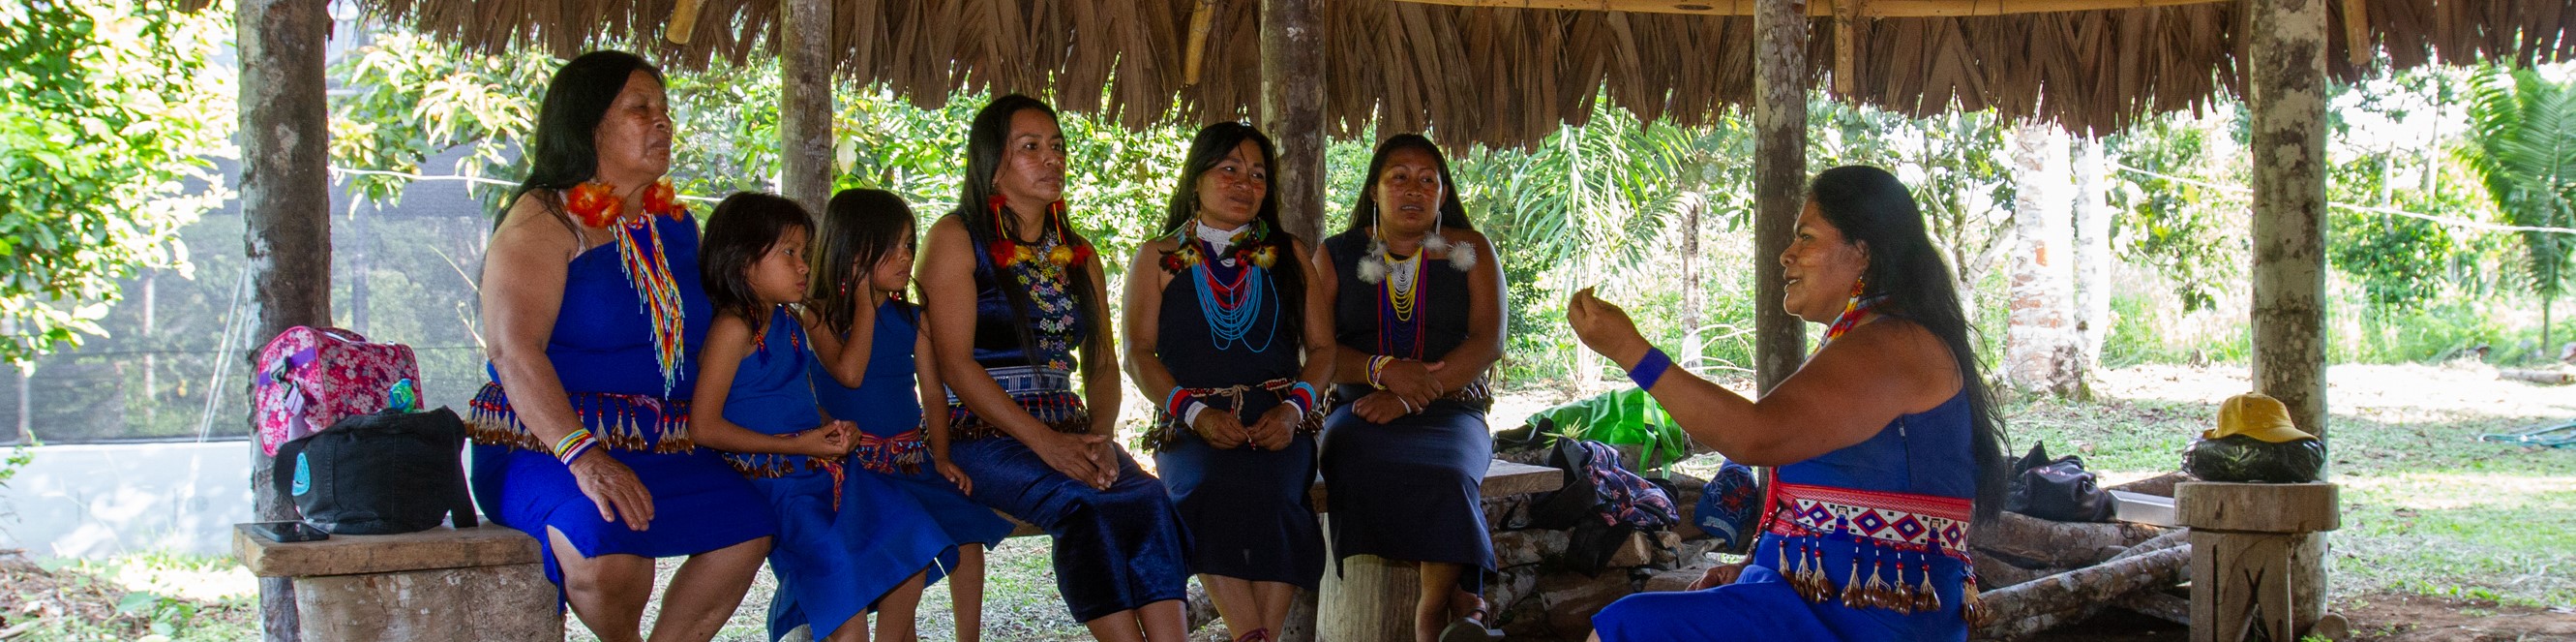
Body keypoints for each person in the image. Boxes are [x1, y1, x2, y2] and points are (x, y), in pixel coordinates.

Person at [1572, 166, 2010, 642]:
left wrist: (1631, 351)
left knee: (1628, 628)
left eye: (1806, 237)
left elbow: (1754, 436)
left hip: (1868, 618)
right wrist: (1758, 565)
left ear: (1861, 252)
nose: (1787, 255)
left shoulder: (1894, 345)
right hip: (1819, 601)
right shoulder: (1866, 339)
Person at [467, 50, 773, 642]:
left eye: (664, 109)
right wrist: (582, 456)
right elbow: (515, 353)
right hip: (547, 444)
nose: (662, 122)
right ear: (589, 126)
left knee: (748, 530)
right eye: (641, 109)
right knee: (610, 556)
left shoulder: (676, 224)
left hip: (665, 445)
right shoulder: (544, 220)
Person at [916, 94, 1191, 642]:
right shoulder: (955, 239)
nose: (1053, 160)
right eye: (1031, 148)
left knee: (1148, 499)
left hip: (1069, 428)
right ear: (994, 162)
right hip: (982, 430)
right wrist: (1045, 444)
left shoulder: (1079, 253)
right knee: (1082, 504)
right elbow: (955, 365)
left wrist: (1098, 436)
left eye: (1058, 147)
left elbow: (1104, 365)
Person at [688, 192, 956, 642]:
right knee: (848, 623)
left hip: (818, 468)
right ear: (742, 260)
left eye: (805, 255)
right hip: (778, 480)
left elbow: (801, 399)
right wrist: (799, 445)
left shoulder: (789, 325)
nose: (804, 267)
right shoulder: (734, 328)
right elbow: (705, 427)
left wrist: (831, 425)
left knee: (911, 546)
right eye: (789, 253)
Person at [1121, 122, 1333, 642]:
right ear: (1197, 179)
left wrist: (1292, 412)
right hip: (1189, 424)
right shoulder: (1159, 257)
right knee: (1203, 489)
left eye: (1258, 174)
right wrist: (1196, 414)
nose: (1245, 183)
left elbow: (1324, 350)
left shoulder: (1290, 254)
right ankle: (1256, 636)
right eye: (1229, 169)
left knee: (1282, 495)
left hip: (1281, 421)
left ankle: (1253, 637)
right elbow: (1137, 355)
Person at [1312, 134, 1508, 642]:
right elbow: (1316, 348)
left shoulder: (1471, 250)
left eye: (1427, 180)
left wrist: (1408, 395)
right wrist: (1381, 371)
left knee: (1447, 474)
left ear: (1443, 194)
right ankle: (1468, 604)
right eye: (1398, 178)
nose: (1413, 190)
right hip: (1360, 412)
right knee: (1356, 460)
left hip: (1452, 409)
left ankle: (1431, 614)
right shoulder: (1335, 255)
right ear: (1375, 190)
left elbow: (1488, 341)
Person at [806, 187, 1018, 641]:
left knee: (967, 532)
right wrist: (865, 304)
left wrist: (940, 457)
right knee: (905, 543)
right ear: (856, 250)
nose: (907, 257)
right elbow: (849, 373)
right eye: (895, 246)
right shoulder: (815, 315)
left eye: (909, 244)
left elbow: (934, 394)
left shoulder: (914, 319)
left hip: (908, 460)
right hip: (852, 469)